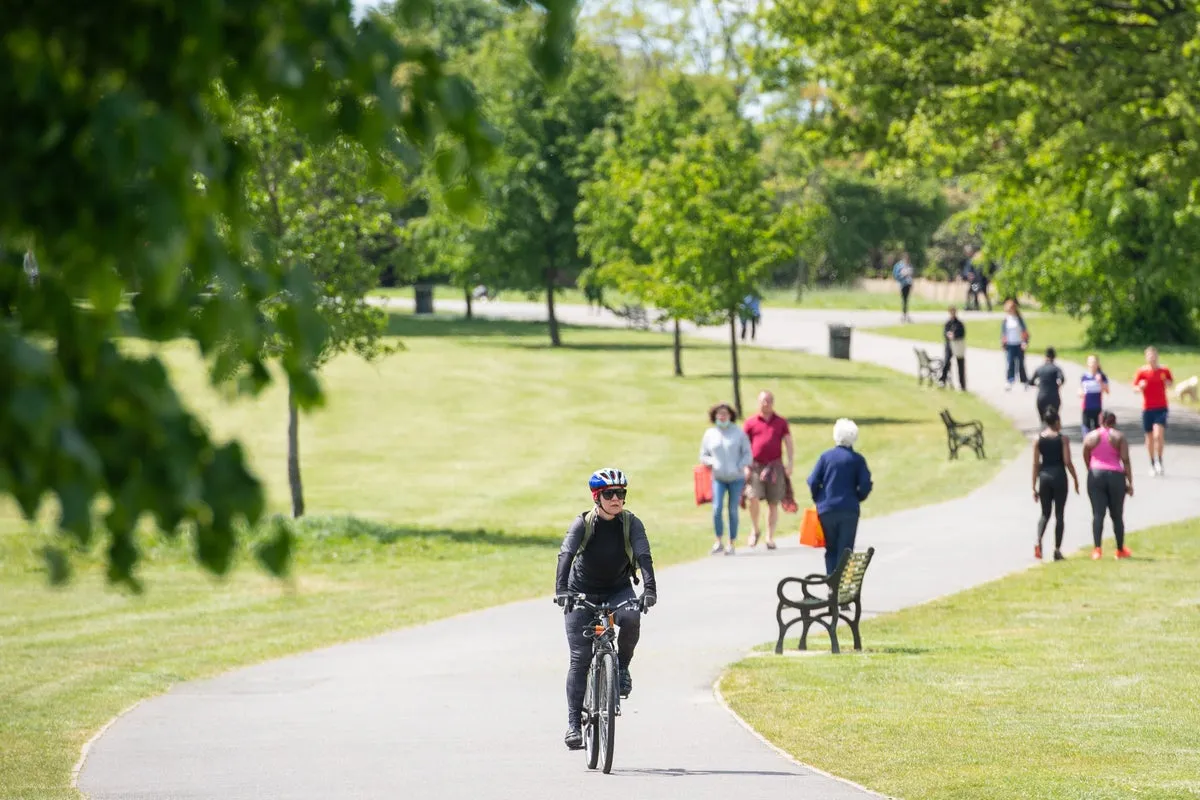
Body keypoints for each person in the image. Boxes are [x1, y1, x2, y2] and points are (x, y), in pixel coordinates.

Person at [554, 468, 658, 750]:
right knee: (580, 658)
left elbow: (644, 555)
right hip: (581, 592)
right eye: (609, 494)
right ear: (597, 497)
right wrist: (562, 590)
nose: (616, 499)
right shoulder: (583, 524)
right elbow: (566, 554)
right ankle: (574, 725)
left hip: (617, 589)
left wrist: (650, 589)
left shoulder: (631, 523)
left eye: (621, 494)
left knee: (631, 617)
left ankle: (621, 667)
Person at [806, 418, 873, 574]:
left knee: (831, 548)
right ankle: (841, 585)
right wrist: (858, 497)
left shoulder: (826, 457)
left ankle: (831, 583)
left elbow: (813, 480)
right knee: (846, 550)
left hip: (827, 509)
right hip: (849, 509)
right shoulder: (857, 459)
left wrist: (818, 498)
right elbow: (865, 484)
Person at [698, 402, 752, 555]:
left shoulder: (738, 433)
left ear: (730, 416)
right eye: (719, 414)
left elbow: (748, 454)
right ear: (715, 416)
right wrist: (712, 462)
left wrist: (739, 466)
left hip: (736, 478)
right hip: (718, 477)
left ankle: (731, 542)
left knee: (733, 510)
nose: (722, 416)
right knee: (716, 509)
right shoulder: (710, 434)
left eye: (725, 414)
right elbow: (703, 455)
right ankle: (718, 541)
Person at [743, 390, 794, 549]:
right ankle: (755, 529)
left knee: (773, 502)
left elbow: (788, 443)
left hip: (775, 466)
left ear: (773, 402)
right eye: (763, 401)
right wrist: (745, 465)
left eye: (769, 401)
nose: (766, 404)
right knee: (753, 497)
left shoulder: (781, 422)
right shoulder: (751, 422)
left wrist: (790, 463)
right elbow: (743, 446)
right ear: (759, 403)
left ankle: (769, 537)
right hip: (756, 466)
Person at [1081, 411, 1134, 559]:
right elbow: (1125, 459)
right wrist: (1129, 482)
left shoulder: (1091, 436)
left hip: (1095, 474)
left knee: (1098, 514)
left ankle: (1097, 549)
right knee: (1117, 515)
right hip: (1115, 475)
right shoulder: (1119, 437)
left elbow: (1086, 454)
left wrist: (1091, 469)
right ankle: (1120, 549)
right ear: (1114, 422)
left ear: (1101, 420)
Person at [1030, 408, 1079, 562]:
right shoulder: (1062, 439)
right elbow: (1067, 462)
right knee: (1059, 515)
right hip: (1059, 476)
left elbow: (1035, 464)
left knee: (1045, 513)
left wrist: (1033, 486)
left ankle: (1038, 540)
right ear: (1057, 422)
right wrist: (1075, 478)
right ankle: (1057, 550)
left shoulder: (1038, 439)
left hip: (1044, 477)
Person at [1133, 346, 1174, 476]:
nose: (1152, 358)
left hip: (1161, 407)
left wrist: (1168, 383)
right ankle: (1151, 462)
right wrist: (1140, 387)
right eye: (1149, 356)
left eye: (1154, 355)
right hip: (1147, 408)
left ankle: (1159, 461)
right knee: (1149, 438)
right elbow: (1134, 387)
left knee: (1158, 435)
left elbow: (1171, 382)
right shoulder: (1142, 372)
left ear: (1157, 356)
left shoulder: (1164, 370)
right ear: (1146, 357)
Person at [1000, 298, 1030, 390]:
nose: (1010, 311)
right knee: (1010, 363)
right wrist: (1003, 344)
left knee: (1021, 363)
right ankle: (1010, 380)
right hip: (1010, 344)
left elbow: (1025, 332)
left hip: (1019, 344)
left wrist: (1024, 342)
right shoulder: (1006, 320)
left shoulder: (1019, 319)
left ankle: (1024, 381)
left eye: (1012, 309)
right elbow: (1003, 333)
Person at [1029, 347, 1065, 422]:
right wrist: (1057, 385)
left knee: (1043, 419)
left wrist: (1038, 385)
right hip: (1054, 397)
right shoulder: (1056, 369)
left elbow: (1031, 382)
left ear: (1045, 357)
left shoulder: (1039, 369)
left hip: (1042, 397)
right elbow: (1062, 379)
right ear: (1054, 357)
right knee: (1054, 419)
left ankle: (1043, 432)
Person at [1079, 355, 1110, 436]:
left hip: (1097, 408)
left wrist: (1100, 382)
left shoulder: (1102, 376)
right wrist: (1080, 393)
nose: (1092, 364)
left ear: (1098, 364)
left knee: (1098, 432)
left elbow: (1107, 390)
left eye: (1094, 362)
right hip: (1086, 407)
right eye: (1090, 362)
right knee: (1086, 431)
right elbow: (1080, 389)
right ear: (1087, 364)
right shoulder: (1084, 377)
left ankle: (1097, 448)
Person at [938, 306, 967, 390]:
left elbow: (962, 334)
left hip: (957, 346)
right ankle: (943, 380)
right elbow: (945, 333)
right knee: (946, 362)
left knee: (960, 364)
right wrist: (948, 335)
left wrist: (954, 336)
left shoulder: (959, 323)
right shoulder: (948, 323)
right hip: (949, 346)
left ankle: (962, 384)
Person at [892, 251, 915, 323]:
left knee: (906, 300)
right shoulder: (899, 265)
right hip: (902, 284)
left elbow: (911, 274)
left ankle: (905, 314)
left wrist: (911, 282)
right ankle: (904, 315)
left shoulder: (909, 265)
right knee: (904, 300)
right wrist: (902, 275)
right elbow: (895, 275)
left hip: (908, 284)